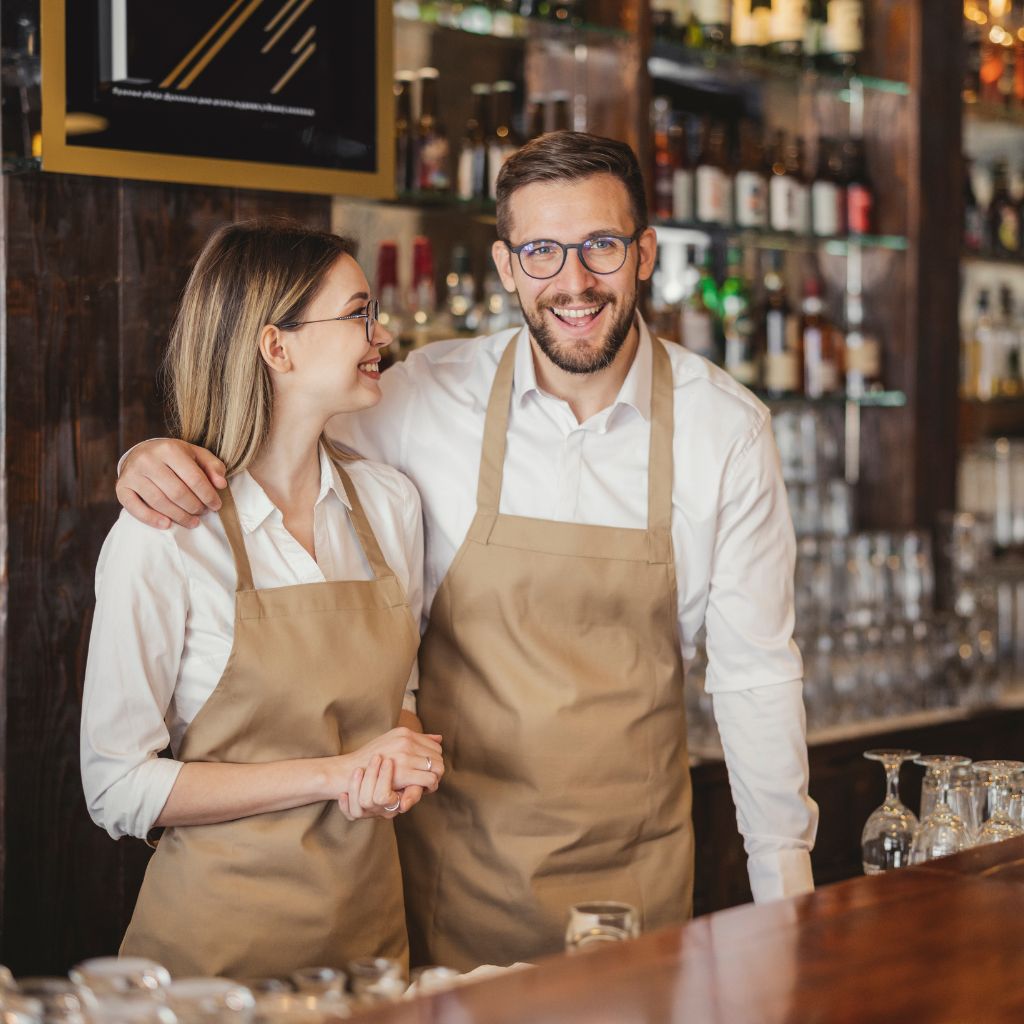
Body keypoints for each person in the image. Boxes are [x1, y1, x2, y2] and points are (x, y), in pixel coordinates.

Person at [115, 132, 818, 971]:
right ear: (505, 265)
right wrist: (150, 456)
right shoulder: (419, 397)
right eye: (541, 251)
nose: (574, 281)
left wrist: (791, 912)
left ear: (644, 255)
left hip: (632, 875)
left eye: (600, 245)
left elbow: (754, 678)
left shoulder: (724, 430)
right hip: (445, 879)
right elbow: (270, 422)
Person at [81, 220, 444, 978]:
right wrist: (335, 774)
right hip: (214, 958)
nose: (380, 334)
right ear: (277, 348)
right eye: (358, 314)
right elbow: (115, 785)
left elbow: (396, 694)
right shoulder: (167, 536)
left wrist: (395, 759)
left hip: (367, 946)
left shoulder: (389, 506)